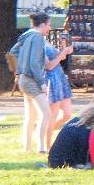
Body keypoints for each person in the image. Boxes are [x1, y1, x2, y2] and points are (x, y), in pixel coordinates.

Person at [10, 12, 73, 153]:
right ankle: (42, 148)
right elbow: (34, 63)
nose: (50, 28)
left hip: (23, 79)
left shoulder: (27, 35)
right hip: (32, 80)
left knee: (31, 116)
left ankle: (27, 149)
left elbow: (13, 52)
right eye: (49, 25)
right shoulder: (37, 37)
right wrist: (41, 83)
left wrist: (18, 71)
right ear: (43, 24)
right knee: (46, 113)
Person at [44, 35, 74, 149]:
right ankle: (47, 144)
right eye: (48, 26)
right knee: (53, 114)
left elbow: (61, 58)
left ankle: (46, 132)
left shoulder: (46, 41)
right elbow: (49, 66)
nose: (49, 27)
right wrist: (63, 53)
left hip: (60, 76)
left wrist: (64, 47)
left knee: (67, 114)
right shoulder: (39, 43)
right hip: (52, 77)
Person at [47, 103, 94, 169]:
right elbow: (82, 152)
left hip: (53, 159)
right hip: (63, 163)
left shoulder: (76, 121)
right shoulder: (84, 131)